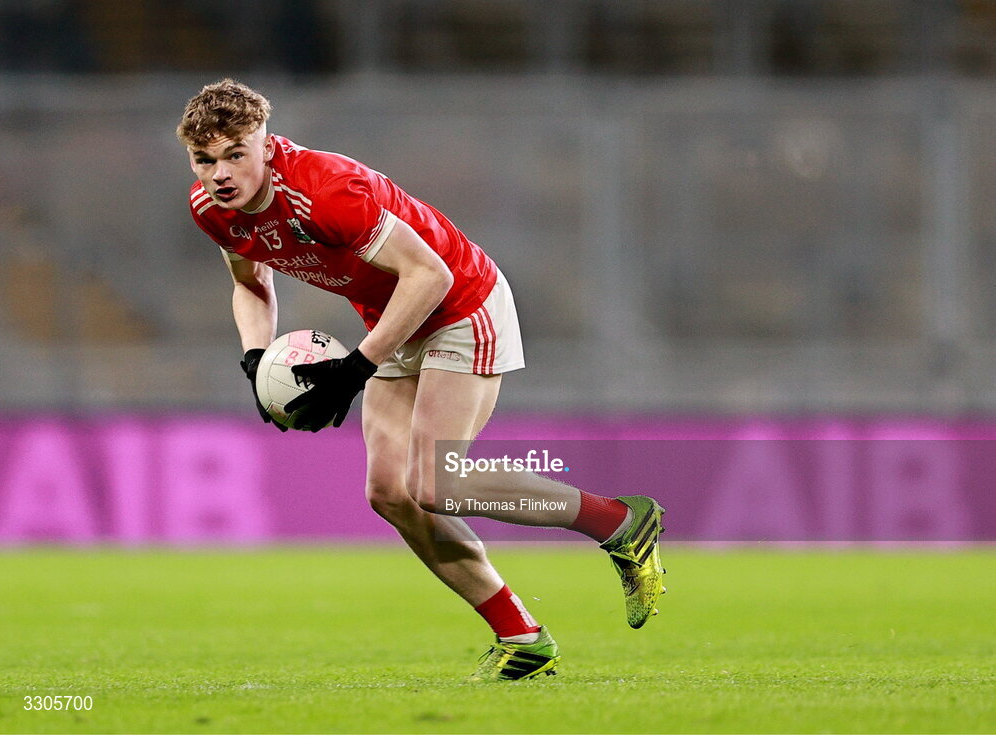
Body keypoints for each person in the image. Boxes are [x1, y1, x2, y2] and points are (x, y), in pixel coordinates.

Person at [177, 79, 666, 681]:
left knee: (436, 481)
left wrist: (357, 367)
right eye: (205, 159)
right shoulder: (212, 209)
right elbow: (251, 284)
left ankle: (618, 522)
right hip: (392, 321)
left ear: (267, 147)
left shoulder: (326, 192)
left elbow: (428, 275)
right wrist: (254, 360)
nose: (220, 173)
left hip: (461, 304)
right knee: (389, 493)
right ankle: (522, 636)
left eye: (235, 154)